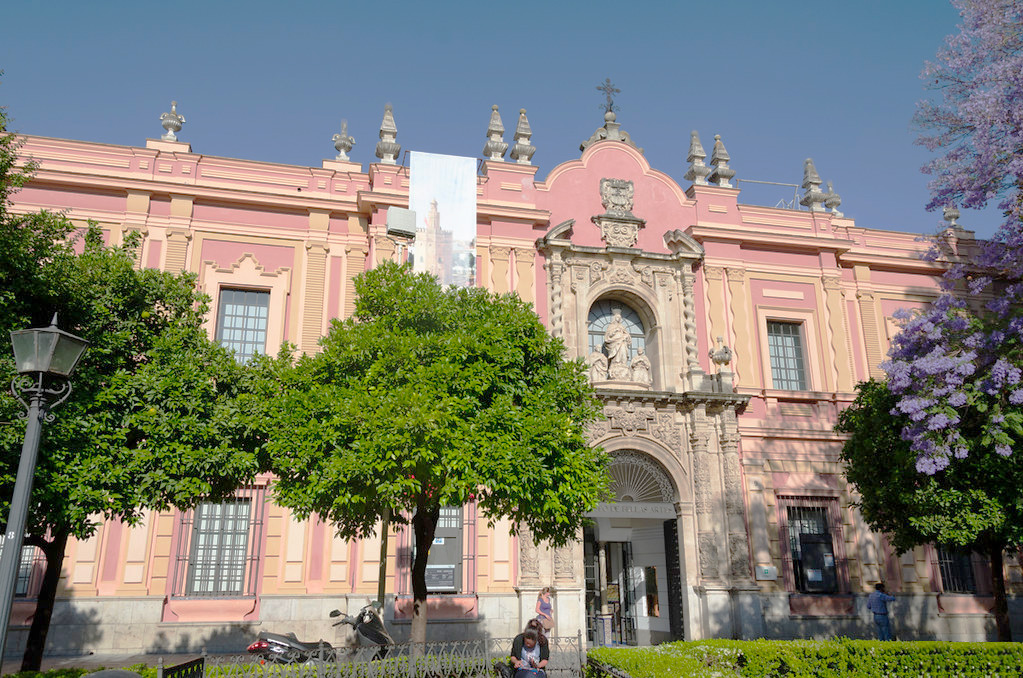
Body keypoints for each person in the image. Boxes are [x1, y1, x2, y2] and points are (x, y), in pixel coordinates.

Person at [603, 308, 632, 380]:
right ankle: (616, 364)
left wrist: (626, 336)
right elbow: (608, 337)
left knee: (623, 353)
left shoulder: (622, 326)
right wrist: (615, 331)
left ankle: (622, 364)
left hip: (622, 342)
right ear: (614, 318)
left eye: (619, 318)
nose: (618, 319)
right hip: (615, 343)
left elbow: (627, 335)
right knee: (616, 356)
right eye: (617, 317)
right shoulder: (611, 326)